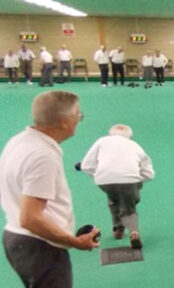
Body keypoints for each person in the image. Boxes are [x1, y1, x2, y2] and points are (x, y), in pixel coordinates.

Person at [0, 91, 100, 288]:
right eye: (77, 115)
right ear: (63, 121)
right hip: (39, 247)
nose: (79, 119)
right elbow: (30, 218)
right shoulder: (42, 155)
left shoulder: (19, 141)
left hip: (17, 240)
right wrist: (73, 241)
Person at [78, 124, 154, 250]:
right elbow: (149, 173)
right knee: (129, 207)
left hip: (104, 181)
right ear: (130, 136)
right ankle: (134, 232)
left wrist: (99, 176)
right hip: (129, 180)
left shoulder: (101, 141)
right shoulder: (135, 145)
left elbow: (86, 165)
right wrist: (137, 182)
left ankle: (118, 229)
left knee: (113, 200)